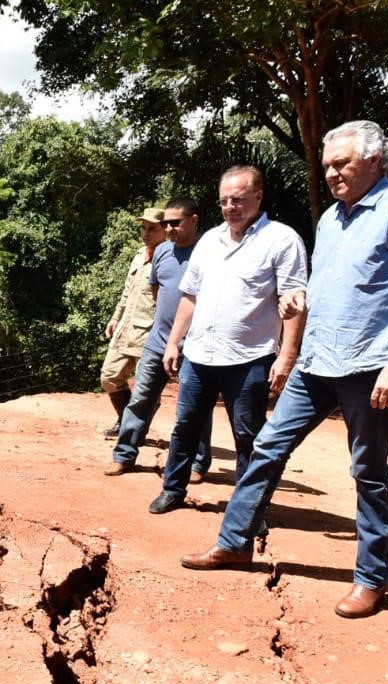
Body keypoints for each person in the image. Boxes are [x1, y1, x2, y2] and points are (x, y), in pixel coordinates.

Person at [180, 121, 388, 619]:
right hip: (317, 360)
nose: (331, 173)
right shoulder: (330, 221)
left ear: (374, 160)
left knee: (368, 472)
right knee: (265, 448)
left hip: (369, 364)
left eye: (341, 163)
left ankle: (370, 580)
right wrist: (303, 298)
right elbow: (335, 284)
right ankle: (235, 543)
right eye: (326, 165)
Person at [148, 166, 308, 514]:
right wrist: (175, 342)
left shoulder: (281, 240)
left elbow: (295, 299)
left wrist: (287, 356)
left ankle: (248, 511)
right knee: (185, 428)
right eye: (224, 201)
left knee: (248, 437)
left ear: (258, 197)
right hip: (199, 356)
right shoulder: (209, 241)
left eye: (238, 199)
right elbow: (190, 296)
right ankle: (172, 491)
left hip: (250, 359)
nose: (231, 207)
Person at [105, 197, 213, 477]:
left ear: (194, 220)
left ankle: (198, 463)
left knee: (195, 407)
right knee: (141, 398)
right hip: (158, 341)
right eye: (166, 224)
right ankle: (124, 455)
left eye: (176, 223)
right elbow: (157, 293)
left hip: (195, 345)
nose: (170, 229)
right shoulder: (163, 252)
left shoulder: (210, 252)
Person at [99, 208, 167, 437]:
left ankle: (131, 428)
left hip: (149, 331)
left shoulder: (168, 258)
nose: (146, 233)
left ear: (165, 230)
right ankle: (126, 419)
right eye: (143, 228)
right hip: (126, 327)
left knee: (145, 388)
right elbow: (127, 293)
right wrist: (115, 317)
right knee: (109, 376)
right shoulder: (139, 255)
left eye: (152, 229)